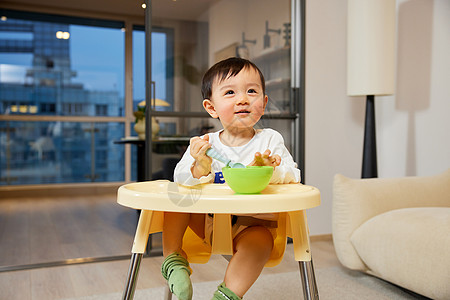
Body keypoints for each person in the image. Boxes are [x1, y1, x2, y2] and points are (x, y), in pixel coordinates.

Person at [161, 57, 301, 300]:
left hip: (249, 225)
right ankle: (175, 262)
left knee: (261, 241)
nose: (243, 98)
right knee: (177, 199)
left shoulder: (270, 140)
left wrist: (271, 170)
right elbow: (180, 177)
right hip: (206, 224)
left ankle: (226, 296)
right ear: (211, 107)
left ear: (264, 103)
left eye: (251, 91)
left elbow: (293, 174)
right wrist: (199, 168)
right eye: (229, 92)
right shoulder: (205, 144)